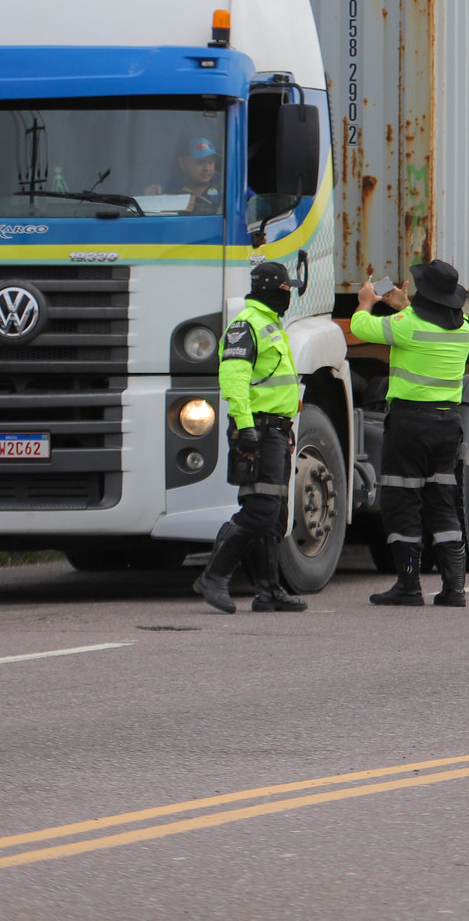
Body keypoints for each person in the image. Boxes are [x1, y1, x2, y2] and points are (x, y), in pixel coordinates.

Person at [354, 260, 469, 607]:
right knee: (441, 501)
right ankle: (455, 589)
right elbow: (425, 324)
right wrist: (403, 305)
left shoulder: (407, 326)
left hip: (410, 426)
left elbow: (362, 328)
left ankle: (409, 584)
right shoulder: (465, 328)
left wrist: (367, 300)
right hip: (448, 424)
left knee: (402, 502)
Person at [193, 261, 307, 614]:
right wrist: (245, 427)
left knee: (275, 515)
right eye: (287, 289)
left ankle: (269, 592)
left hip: (276, 429)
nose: (290, 295)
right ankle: (213, 576)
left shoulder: (271, 325)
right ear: (275, 290)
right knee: (260, 509)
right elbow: (234, 379)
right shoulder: (247, 325)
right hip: (256, 428)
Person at [145, 136, 225, 214]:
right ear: (182, 163)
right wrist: (147, 196)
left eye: (210, 162)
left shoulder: (224, 186)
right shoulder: (167, 187)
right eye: (200, 162)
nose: (207, 169)